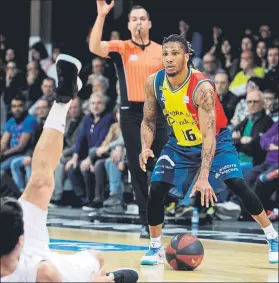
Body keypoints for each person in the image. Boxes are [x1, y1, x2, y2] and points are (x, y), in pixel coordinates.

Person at [139, 34, 278, 265]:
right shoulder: (154, 82)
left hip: (215, 140)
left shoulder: (201, 86)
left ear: (186, 55)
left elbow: (208, 135)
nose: (169, 59)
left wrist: (203, 177)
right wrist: (145, 147)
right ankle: (155, 248)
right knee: (156, 189)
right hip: (179, 143)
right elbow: (149, 120)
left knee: (237, 184)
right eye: (165, 54)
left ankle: (273, 237)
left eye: (175, 54)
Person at [0, 54, 138, 282]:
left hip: (27, 249)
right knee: (97, 257)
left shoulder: (24, 250)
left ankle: (63, 99)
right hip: (55, 268)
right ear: (20, 239)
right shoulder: (45, 273)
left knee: (40, 182)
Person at [89, 0, 168, 238]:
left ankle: (159, 212)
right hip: (131, 113)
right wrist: (102, 16)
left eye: (142, 18)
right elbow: (94, 46)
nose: (139, 22)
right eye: (134, 19)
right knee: (138, 166)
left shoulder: (160, 50)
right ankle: (147, 220)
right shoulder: (121, 48)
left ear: (150, 23)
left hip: (157, 112)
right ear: (129, 25)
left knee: (160, 166)